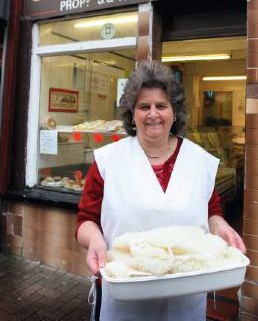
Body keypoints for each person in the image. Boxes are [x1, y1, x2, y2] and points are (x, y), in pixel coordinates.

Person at [76, 60, 246, 321]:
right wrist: (95, 241)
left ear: (174, 112)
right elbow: (86, 219)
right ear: (132, 114)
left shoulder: (198, 161)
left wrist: (220, 226)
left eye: (161, 106)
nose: (153, 114)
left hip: (185, 300)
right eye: (144, 106)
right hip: (125, 294)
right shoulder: (109, 161)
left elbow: (211, 212)